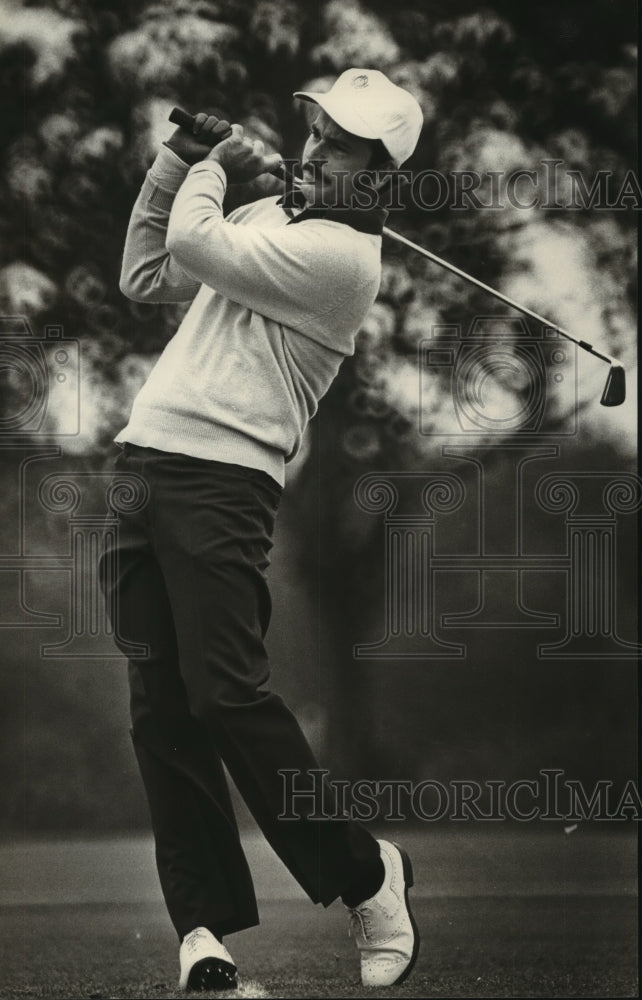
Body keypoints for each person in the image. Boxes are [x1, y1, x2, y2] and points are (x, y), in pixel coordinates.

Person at [100, 68, 423, 991]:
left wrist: (211, 162)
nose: (316, 150)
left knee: (224, 693)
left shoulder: (343, 263)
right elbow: (147, 269)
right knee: (161, 709)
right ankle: (204, 939)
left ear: (378, 176)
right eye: (316, 135)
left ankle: (368, 875)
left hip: (223, 480)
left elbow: (196, 245)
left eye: (341, 145)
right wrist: (174, 162)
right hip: (144, 464)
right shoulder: (268, 222)